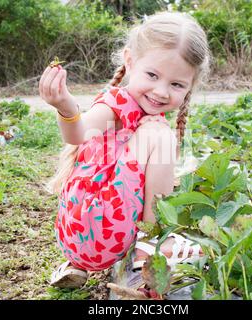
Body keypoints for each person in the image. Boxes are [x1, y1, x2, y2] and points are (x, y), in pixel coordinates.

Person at [39, 11, 211, 291]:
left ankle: (75, 267)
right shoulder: (116, 104)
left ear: (191, 85)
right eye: (152, 75)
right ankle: (152, 244)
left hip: (77, 238)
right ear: (130, 62)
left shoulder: (136, 106)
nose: (161, 91)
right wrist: (66, 107)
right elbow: (78, 134)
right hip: (102, 230)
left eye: (176, 84)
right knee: (160, 135)